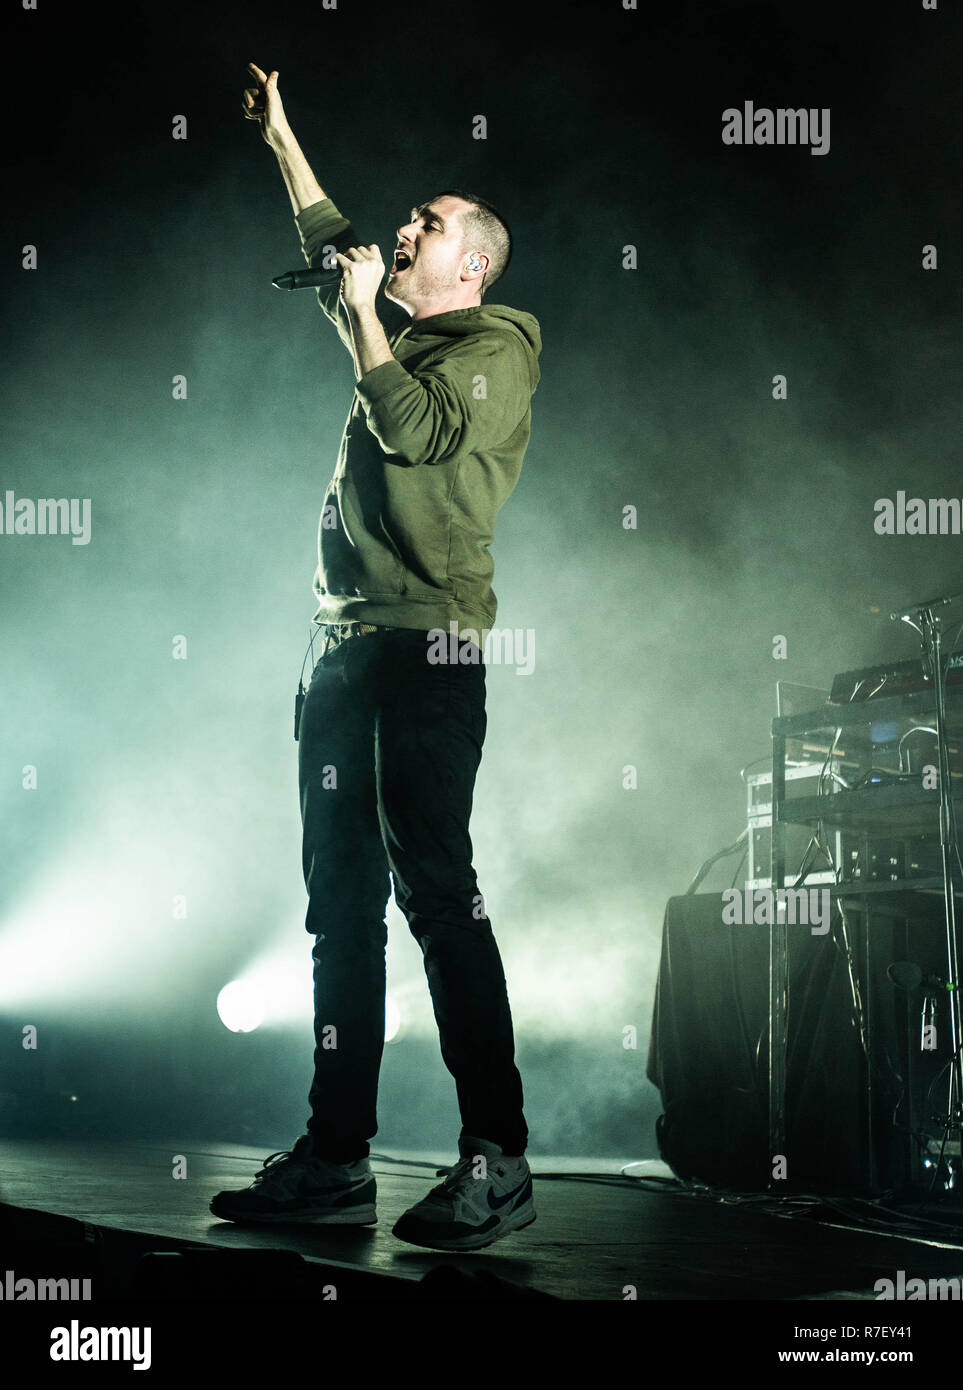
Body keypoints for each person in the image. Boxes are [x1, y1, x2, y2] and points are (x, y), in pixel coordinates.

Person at [210, 64, 542, 1253]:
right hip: (343, 655)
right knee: (337, 909)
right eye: (409, 220)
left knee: (436, 896)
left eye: (428, 226)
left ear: (474, 265)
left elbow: (413, 432)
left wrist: (361, 312)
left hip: (428, 651)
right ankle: (337, 1153)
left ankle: (497, 1155)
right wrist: (284, 136)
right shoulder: (392, 323)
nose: (403, 231)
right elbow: (337, 237)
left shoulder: (497, 349)